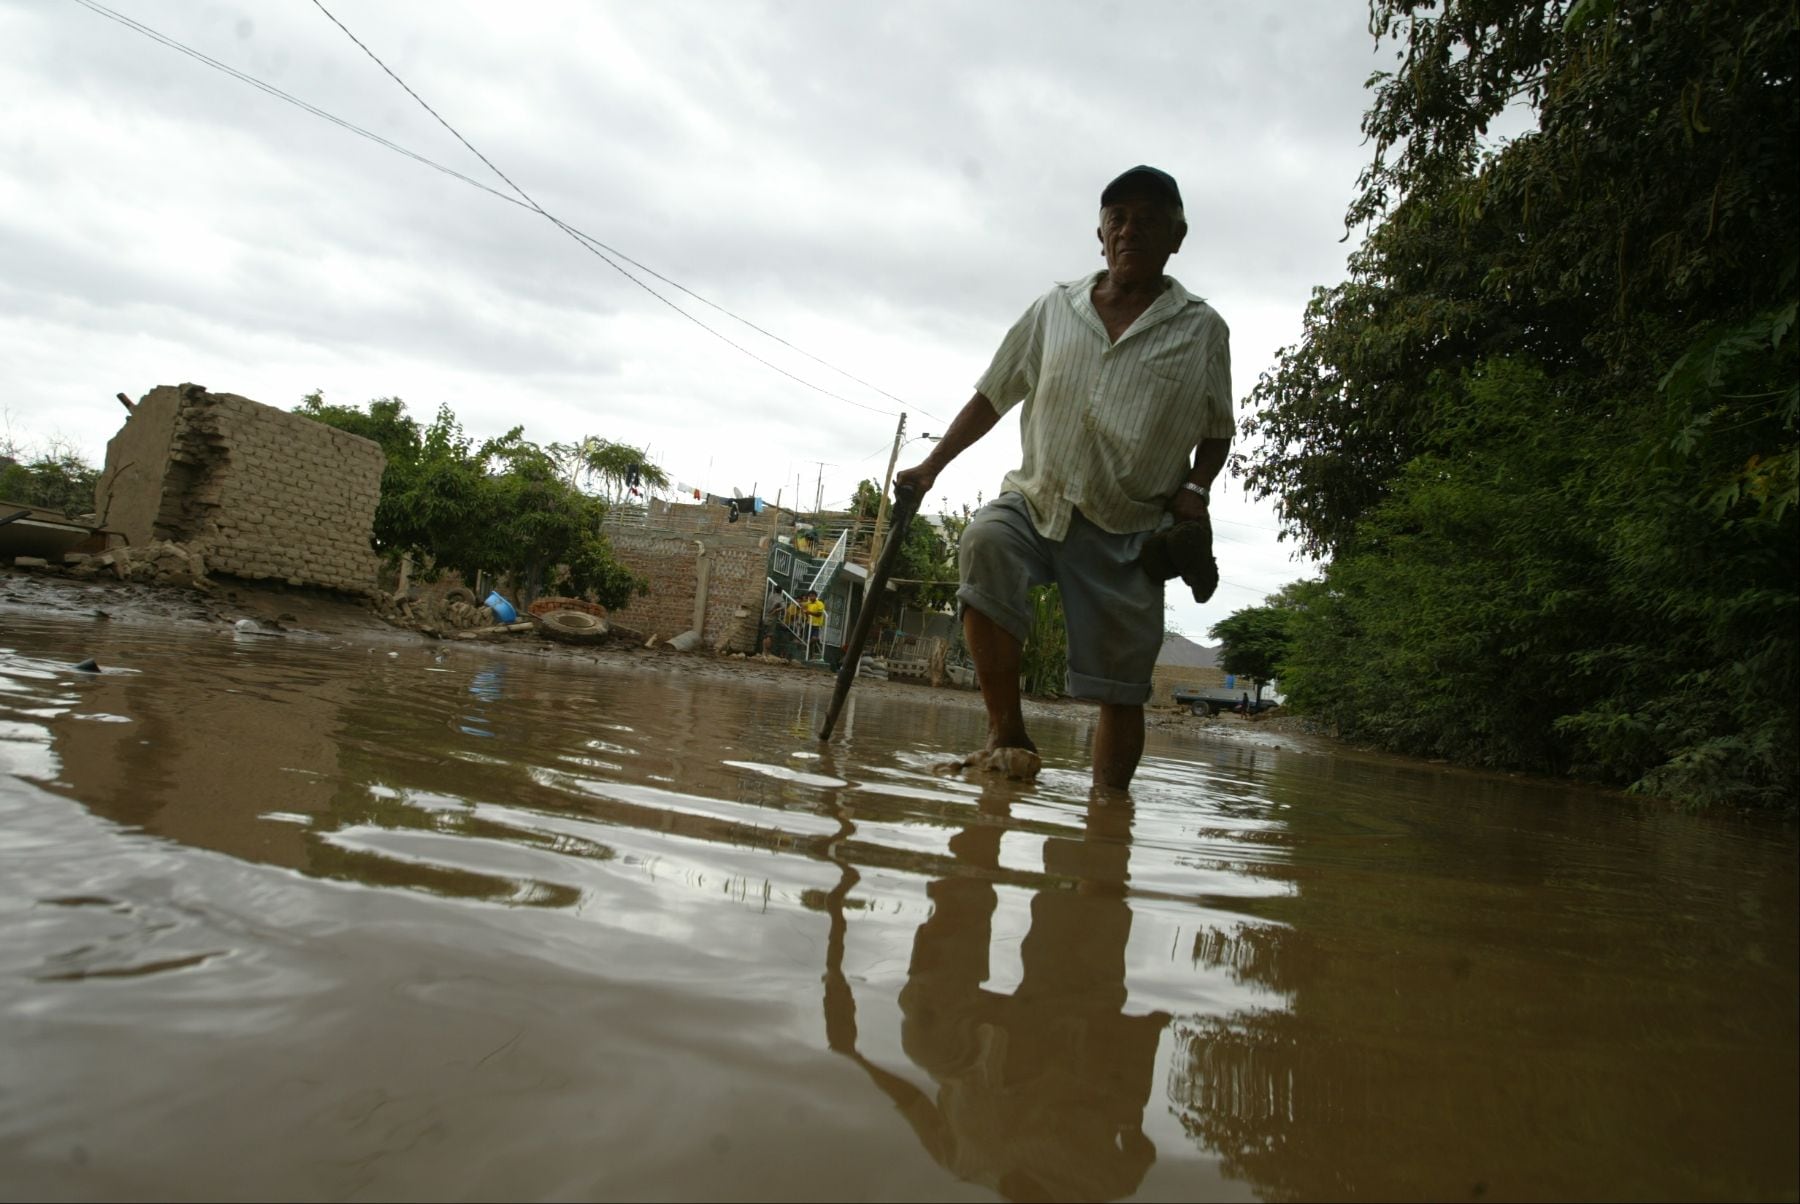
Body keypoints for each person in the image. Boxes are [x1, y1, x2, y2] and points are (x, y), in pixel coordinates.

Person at [895, 165, 1232, 790]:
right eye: (1117, 220)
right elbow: (993, 395)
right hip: (1038, 497)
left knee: (1122, 688)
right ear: (1100, 234)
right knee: (985, 542)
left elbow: (1218, 427)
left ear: (1177, 236)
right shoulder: (1055, 309)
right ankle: (1006, 732)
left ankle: (1108, 813)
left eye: (1147, 221)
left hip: (1130, 524)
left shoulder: (1203, 330)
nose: (1130, 231)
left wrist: (1194, 492)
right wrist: (930, 466)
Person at [803, 591, 827, 660]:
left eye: (812, 596)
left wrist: (809, 612)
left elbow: (819, 614)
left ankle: (809, 645)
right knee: (810, 641)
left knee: (813, 639)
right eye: (810, 596)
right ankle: (811, 656)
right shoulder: (809, 603)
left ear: (816, 596)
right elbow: (802, 605)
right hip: (809, 623)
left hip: (817, 625)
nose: (811, 597)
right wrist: (805, 612)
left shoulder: (820, 603)